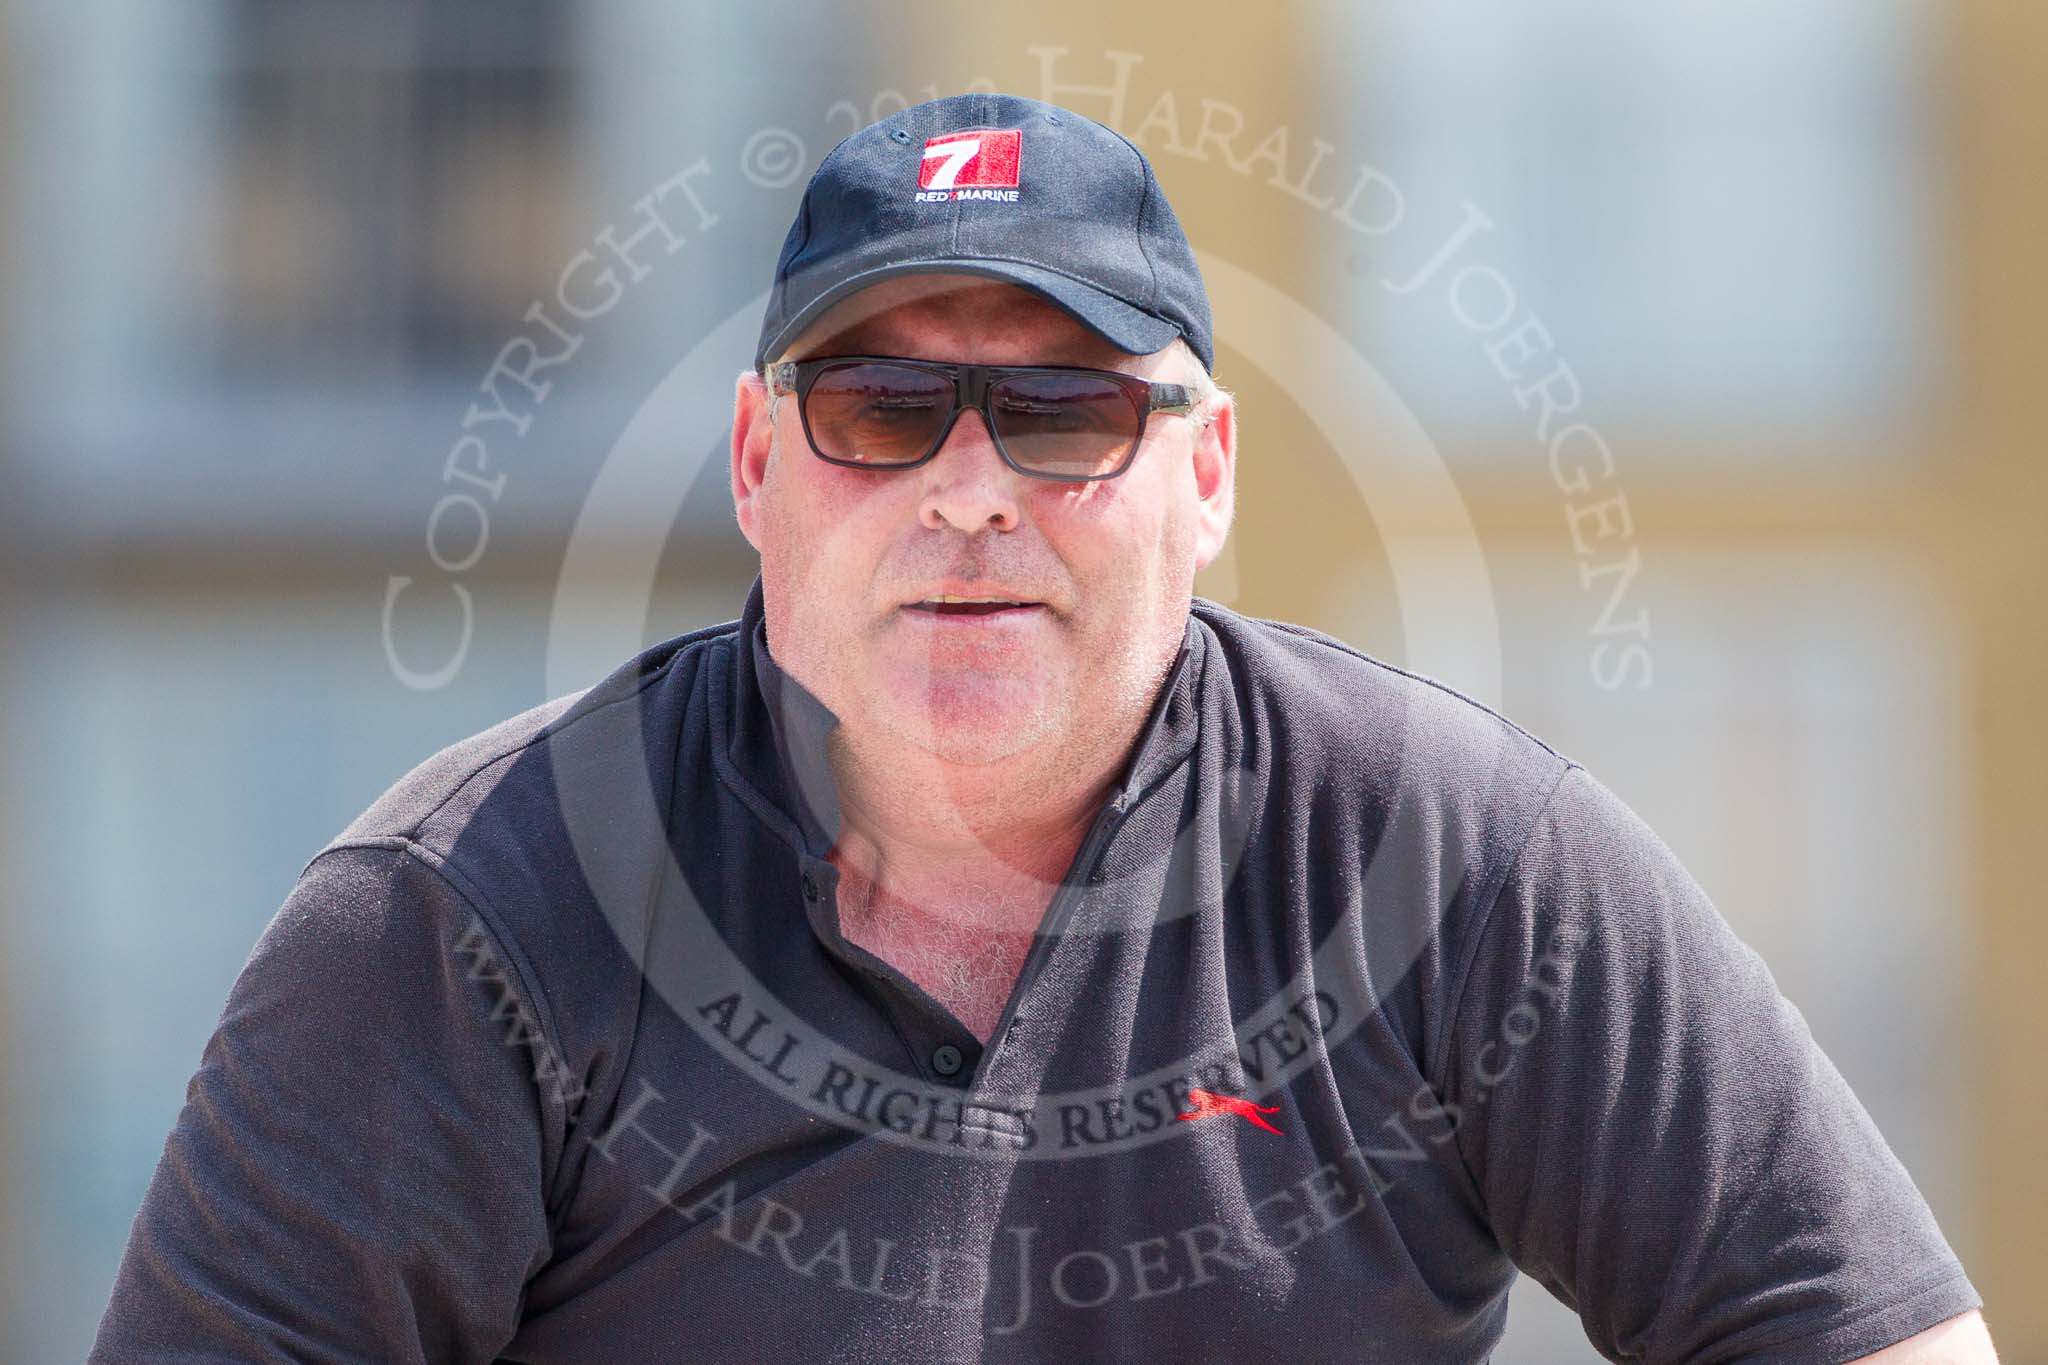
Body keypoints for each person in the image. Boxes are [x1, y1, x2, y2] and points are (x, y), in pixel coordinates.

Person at [92, 92, 1995, 1363]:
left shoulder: (1454, 860)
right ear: (761, 465)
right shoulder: (468, 914)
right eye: (881, 409)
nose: (973, 488)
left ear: (1210, 473)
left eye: (1069, 412)